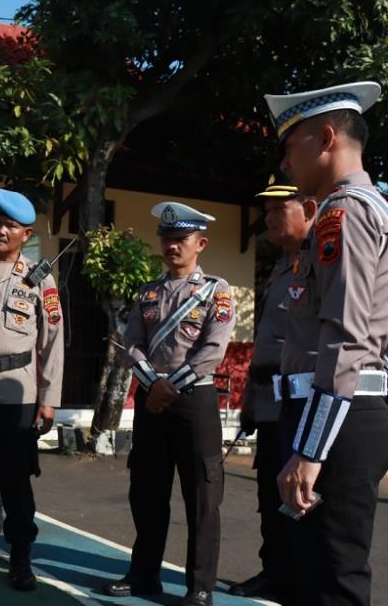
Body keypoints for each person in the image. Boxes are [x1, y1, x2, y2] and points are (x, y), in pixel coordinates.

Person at [265, 81, 388, 606]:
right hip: (332, 406)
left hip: (339, 412)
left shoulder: (345, 211)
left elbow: (346, 335)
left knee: (333, 578)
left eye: (291, 145)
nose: (286, 161)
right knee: (309, 570)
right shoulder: (353, 208)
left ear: (327, 137)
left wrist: (311, 447)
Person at [102, 201, 235, 606]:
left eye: (180, 239)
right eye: (166, 238)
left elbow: (213, 348)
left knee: (202, 496)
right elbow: (133, 344)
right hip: (151, 401)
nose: (171, 245)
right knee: (146, 490)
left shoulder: (217, 290)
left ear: (201, 243)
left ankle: (200, 586)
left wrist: (168, 387)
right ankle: (144, 574)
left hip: (194, 400)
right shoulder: (148, 291)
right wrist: (152, 384)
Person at [0, 189, 64, 591]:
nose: (0, 230)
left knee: (17, 483)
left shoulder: (39, 278)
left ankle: (21, 558)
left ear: (26, 233)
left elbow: (53, 341)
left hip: (16, 396)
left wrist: (49, 399)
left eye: (10, 226)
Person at [228, 173, 315, 604]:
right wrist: (247, 401)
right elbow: (265, 342)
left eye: (278, 209)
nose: (268, 218)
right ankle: (275, 572)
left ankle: (301, 580)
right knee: (268, 495)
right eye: (266, 210)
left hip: (302, 402)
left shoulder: (321, 259)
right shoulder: (280, 264)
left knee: (300, 500)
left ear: (308, 210)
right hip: (268, 401)